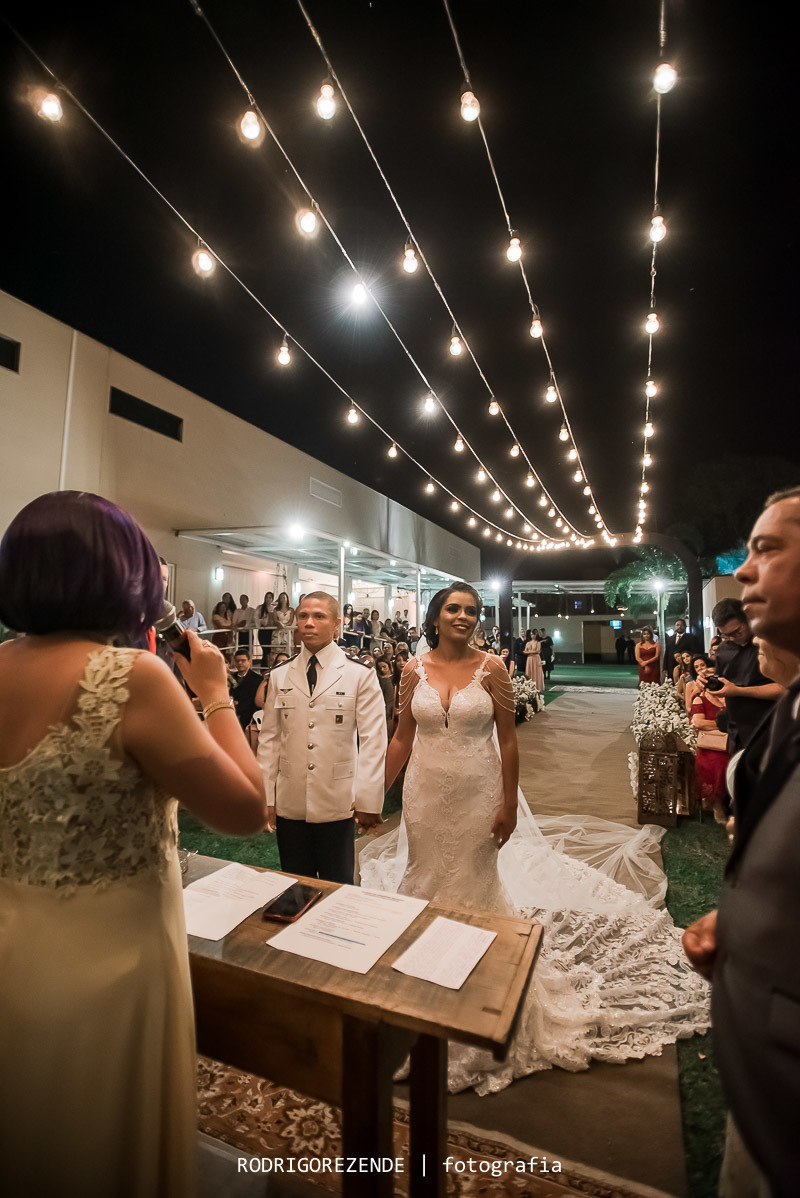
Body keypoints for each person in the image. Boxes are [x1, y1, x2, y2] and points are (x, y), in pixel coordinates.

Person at [0, 491, 266, 1197]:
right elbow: (246, 810)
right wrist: (215, 693)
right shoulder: (130, 678)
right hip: (110, 963)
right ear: (125, 574)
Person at [360, 584, 708, 1095]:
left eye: (472, 610)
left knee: (474, 882)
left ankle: (480, 995)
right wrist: (372, 796)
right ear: (435, 617)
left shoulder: (492, 669)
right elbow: (401, 738)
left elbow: (507, 740)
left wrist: (507, 803)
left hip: (479, 792)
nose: (463, 616)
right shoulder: (413, 670)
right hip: (424, 796)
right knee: (423, 879)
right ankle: (419, 991)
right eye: (453, 608)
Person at [682, 487, 800, 1196]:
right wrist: (742, 919)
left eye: (768, 549)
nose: (744, 572)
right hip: (759, 1085)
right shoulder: (793, 706)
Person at [258, 592, 388, 884]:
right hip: (291, 798)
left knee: (337, 885)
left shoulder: (359, 673)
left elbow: (373, 740)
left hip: (337, 799)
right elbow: (270, 739)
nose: (309, 623)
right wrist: (266, 795)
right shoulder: (280, 674)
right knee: (295, 884)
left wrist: (368, 800)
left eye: (319, 616)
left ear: (337, 624)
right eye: (303, 616)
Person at [710, 596, 784, 754]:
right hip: (735, 728)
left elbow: (785, 688)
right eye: (726, 635)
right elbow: (722, 684)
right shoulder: (723, 649)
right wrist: (708, 682)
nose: (732, 638)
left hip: (769, 726)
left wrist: (739, 691)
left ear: (747, 619)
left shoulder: (768, 643)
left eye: (736, 632)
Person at [688, 656, 730, 822]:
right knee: (719, 764)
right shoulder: (700, 699)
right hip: (711, 748)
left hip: (732, 743)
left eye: (715, 678)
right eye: (709, 679)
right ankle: (717, 805)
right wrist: (723, 725)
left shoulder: (729, 697)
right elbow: (699, 723)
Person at [229, 648, 262, 732]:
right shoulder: (230, 678)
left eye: (243, 660)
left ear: (249, 662)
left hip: (248, 716)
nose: (240, 663)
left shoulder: (257, 679)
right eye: (237, 661)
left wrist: (236, 706)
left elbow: (252, 700)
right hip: (231, 713)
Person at [256, 591, 275, 658]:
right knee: (265, 649)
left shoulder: (274, 608)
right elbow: (256, 618)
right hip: (263, 630)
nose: (268, 599)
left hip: (271, 631)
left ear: (272, 599)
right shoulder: (260, 608)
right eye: (267, 597)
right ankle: (264, 663)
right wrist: (263, 621)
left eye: (270, 597)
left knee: (270, 650)